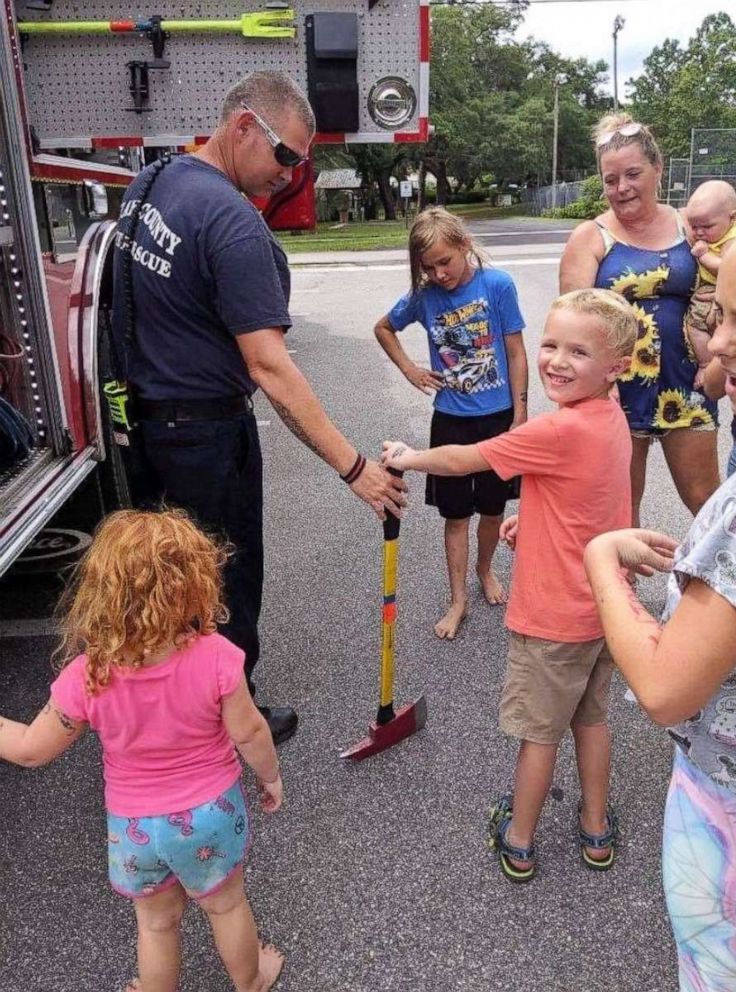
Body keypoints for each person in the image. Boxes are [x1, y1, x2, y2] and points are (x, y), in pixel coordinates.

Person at [111, 70, 406, 744]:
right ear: (244, 125)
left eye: (301, 165)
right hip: (205, 438)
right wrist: (352, 466)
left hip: (141, 427)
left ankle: (167, 705)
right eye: (284, 156)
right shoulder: (230, 222)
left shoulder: (151, 184)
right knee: (223, 584)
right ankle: (229, 716)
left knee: (162, 578)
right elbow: (269, 365)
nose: (291, 175)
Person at [382, 288, 637, 882]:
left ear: (616, 367)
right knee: (591, 719)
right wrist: (538, 516)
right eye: (550, 344)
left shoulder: (557, 432)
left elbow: (468, 459)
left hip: (552, 619)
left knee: (538, 735)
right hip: (603, 608)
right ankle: (596, 828)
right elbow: (592, 498)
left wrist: (409, 456)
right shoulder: (609, 417)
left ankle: (519, 839)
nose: (555, 360)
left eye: (578, 351)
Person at [0, 509, 285, 992]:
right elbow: (251, 733)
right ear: (196, 583)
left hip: (134, 828)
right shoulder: (216, 658)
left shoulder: (90, 675)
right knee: (226, 905)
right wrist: (271, 777)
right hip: (207, 815)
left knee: (155, 923)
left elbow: (30, 749)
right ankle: (251, 982)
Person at [583, 225, 736, 992]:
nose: (718, 346)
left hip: (731, 801)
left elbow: (662, 686)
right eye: (720, 316)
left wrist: (599, 565)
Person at [374, 208, 528, 640]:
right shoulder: (424, 298)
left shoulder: (497, 285)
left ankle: (485, 570)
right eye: (429, 267)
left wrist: (520, 413)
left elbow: (516, 352)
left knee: (494, 509)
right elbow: (384, 327)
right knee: (456, 514)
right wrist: (409, 369)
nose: (440, 274)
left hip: (498, 418)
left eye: (446, 261)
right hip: (452, 421)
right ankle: (457, 598)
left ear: (464, 245)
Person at [560, 112, 720, 527]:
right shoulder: (590, 237)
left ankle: (724, 586)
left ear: (658, 168)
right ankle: (618, 590)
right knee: (620, 510)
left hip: (688, 385)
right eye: (611, 180)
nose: (622, 188)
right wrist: (597, 388)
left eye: (633, 174)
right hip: (614, 392)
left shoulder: (691, 224)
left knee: (707, 501)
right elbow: (571, 326)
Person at [683, 180, 736, 390]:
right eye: (694, 226)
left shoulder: (732, 239)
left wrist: (705, 255)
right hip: (708, 289)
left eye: (706, 226)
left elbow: (727, 268)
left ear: (732, 218)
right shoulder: (715, 233)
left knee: (696, 324)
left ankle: (706, 364)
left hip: (717, 291)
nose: (699, 232)